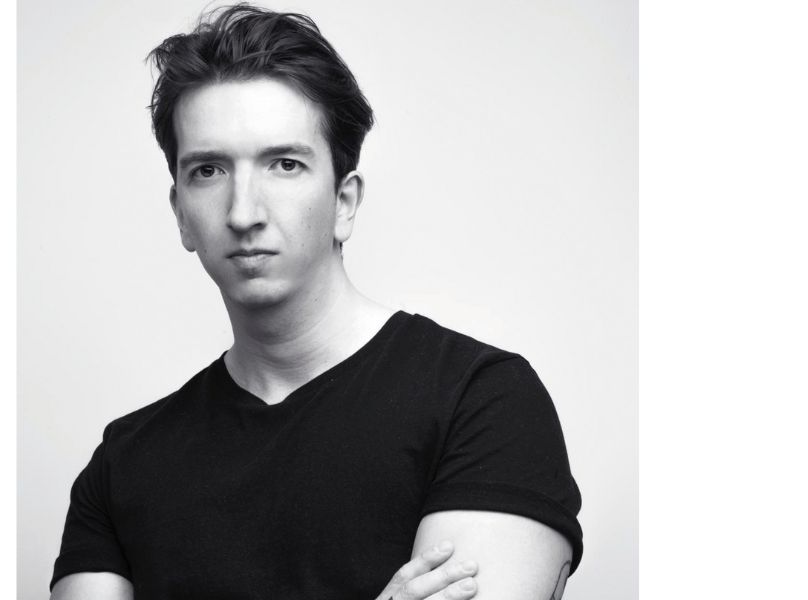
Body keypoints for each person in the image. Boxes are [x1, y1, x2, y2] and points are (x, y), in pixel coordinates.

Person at [49, 4, 582, 599]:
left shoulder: (480, 400)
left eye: (285, 164)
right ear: (180, 214)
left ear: (344, 202)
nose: (243, 212)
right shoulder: (123, 463)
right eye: (209, 171)